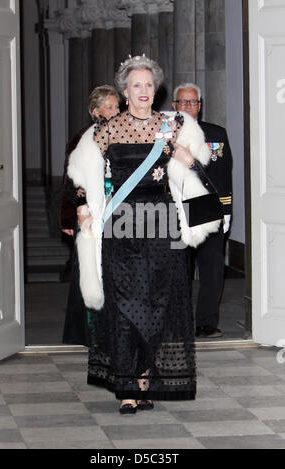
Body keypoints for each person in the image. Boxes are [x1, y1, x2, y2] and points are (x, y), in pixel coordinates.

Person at [67, 55, 222, 414]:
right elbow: (80, 174)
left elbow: (203, 166)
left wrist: (188, 159)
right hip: (120, 226)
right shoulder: (106, 130)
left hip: (163, 224)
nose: (144, 91)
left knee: (159, 304)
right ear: (124, 92)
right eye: (136, 85)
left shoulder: (175, 125)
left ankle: (145, 378)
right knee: (123, 306)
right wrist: (82, 208)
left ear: (157, 89)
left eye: (149, 85)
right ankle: (126, 386)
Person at [172, 83, 233, 339]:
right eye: (183, 102)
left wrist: (226, 210)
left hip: (207, 207)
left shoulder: (216, 134)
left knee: (211, 269)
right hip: (175, 208)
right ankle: (178, 322)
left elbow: (222, 174)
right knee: (178, 270)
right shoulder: (163, 135)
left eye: (193, 102)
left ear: (200, 106)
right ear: (174, 106)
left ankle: (207, 323)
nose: (188, 107)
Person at [61, 85, 120, 346]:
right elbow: (71, 180)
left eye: (117, 106)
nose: (115, 111)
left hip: (120, 213)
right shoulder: (83, 139)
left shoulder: (125, 135)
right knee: (89, 270)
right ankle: (91, 333)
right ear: (95, 111)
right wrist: (70, 216)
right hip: (91, 214)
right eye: (109, 107)